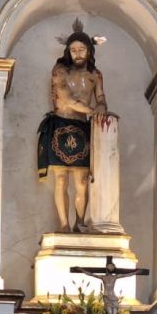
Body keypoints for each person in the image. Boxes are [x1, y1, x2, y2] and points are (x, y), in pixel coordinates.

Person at [37, 19, 110, 233]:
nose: (78, 54)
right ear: (68, 51)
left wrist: (101, 106)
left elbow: (101, 97)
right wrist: (93, 111)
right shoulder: (60, 70)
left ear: (89, 51)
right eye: (74, 50)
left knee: (82, 180)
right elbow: (67, 99)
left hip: (82, 127)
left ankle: (79, 222)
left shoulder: (95, 75)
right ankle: (64, 225)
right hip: (60, 123)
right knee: (61, 179)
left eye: (82, 49)